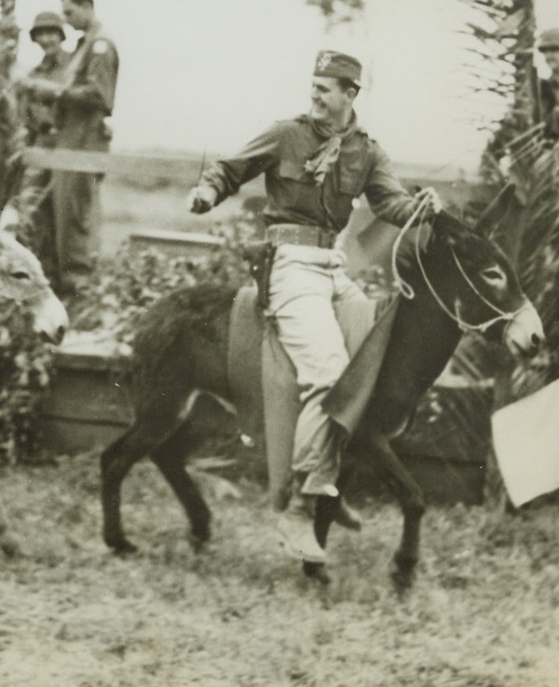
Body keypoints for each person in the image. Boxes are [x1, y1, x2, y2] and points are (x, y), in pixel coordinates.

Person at [187, 51, 439, 563]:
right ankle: (299, 508)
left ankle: (333, 489)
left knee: (370, 365)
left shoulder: (367, 152)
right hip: (291, 265)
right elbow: (231, 168)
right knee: (328, 375)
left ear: (350, 95)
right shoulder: (286, 134)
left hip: (334, 268)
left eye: (326, 89)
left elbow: (389, 202)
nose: (316, 96)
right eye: (314, 87)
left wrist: (419, 206)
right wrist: (207, 190)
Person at [18, 0, 118, 296]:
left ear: (87, 6)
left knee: (74, 222)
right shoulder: (83, 48)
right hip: (67, 145)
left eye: (69, 12)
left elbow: (100, 96)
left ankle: (79, 291)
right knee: (57, 220)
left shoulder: (100, 46)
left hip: (81, 147)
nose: (67, 19)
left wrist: (55, 92)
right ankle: (62, 289)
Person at [15, 10, 73, 287]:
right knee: (32, 209)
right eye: (41, 34)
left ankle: (69, 282)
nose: (46, 39)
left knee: (66, 214)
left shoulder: (74, 66)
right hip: (40, 144)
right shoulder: (33, 75)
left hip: (67, 145)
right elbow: (26, 118)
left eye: (51, 33)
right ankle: (41, 276)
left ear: (60, 35)